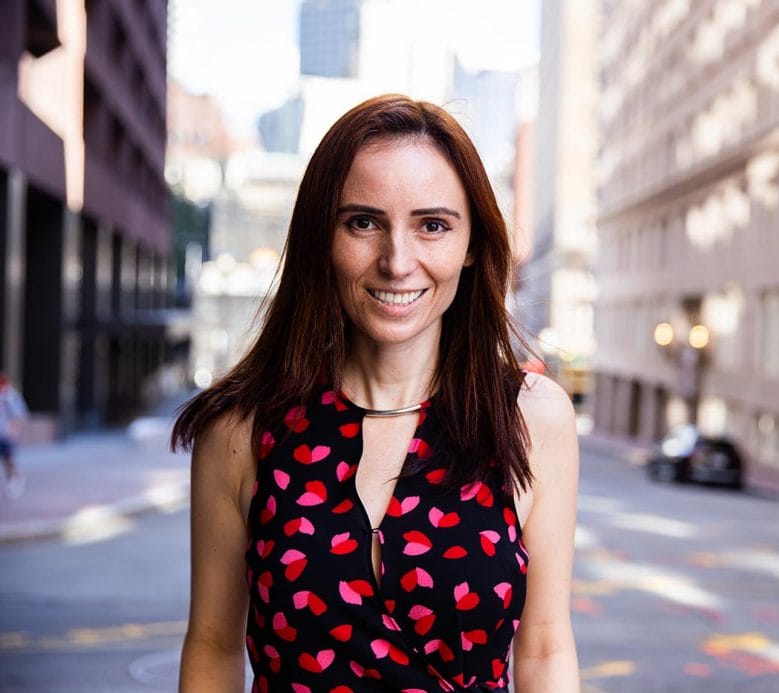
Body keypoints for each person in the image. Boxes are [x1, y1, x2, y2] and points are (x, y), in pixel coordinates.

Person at [173, 94, 580, 692]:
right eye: (363, 222)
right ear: (323, 238)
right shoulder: (239, 430)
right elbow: (212, 646)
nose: (397, 261)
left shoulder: (532, 419)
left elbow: (544, 648)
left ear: (471, 247)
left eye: (432, 226)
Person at [0, 372, 29, 499]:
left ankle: (15, 478)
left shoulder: (10, 397)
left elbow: (20, 415)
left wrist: (13, 430)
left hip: (6, 435)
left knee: (8, 460)